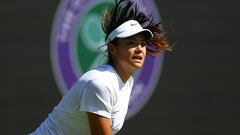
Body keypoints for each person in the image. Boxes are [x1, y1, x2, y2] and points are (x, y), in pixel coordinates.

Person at [29, 0, 171, 134]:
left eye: (142, 43)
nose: (139, 49)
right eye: (131, 42)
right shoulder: (101, 84)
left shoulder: (126, 83)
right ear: (112, 48)